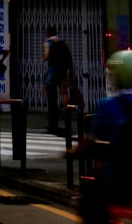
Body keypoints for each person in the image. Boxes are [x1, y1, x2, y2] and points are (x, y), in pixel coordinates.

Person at [74, 50, 132, 224]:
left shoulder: (108, 105)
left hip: (118, 181)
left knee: (89, 205)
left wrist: (75, 151)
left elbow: (91, 140)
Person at [44, 25, 74, 134]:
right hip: (63, 71)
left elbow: (46, 56)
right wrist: (71, 71)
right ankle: (66, 110)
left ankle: (54, 115)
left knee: (49, 91)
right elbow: (70, 56)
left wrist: (46, 57)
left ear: (48, 33)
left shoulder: (48, 43)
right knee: (63, 92)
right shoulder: (63, 42)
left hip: (53, 71)